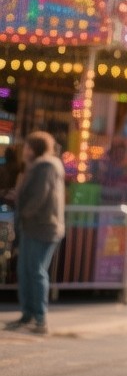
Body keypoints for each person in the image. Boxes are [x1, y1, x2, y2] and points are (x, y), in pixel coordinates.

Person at [5, 132, 65, 335]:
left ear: (35, 148)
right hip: (35, 226)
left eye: (28, 147)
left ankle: (40, 318)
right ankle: (28, 314)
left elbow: (40, 197)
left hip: (41, 226)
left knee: (36, 271)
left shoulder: (45, 167)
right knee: (25, 271)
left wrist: (24, 213)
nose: (24, 151)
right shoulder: (38, 167)